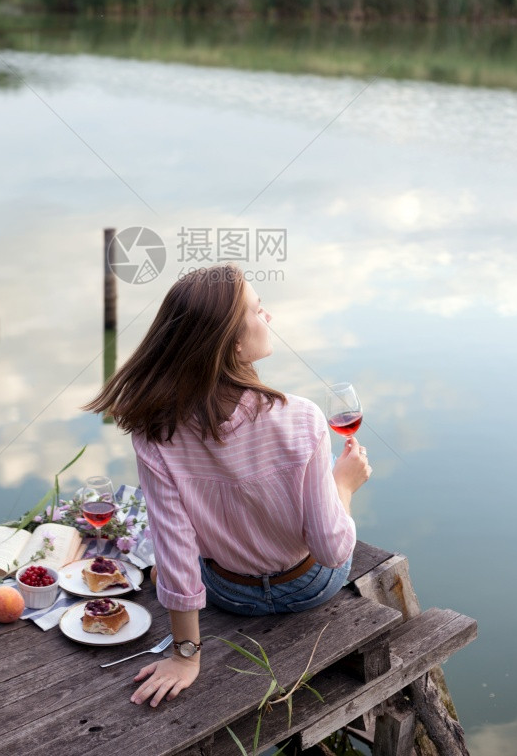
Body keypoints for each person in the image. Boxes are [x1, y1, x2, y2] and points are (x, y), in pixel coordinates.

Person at [83, 264, 371, 708]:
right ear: (234, 343)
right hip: (311, 585)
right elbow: (332, 550)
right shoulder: (302, 417)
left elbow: (175, 553)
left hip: (228, 593)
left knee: (182, 542)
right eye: (259, 310)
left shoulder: (155, 435)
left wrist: (185, 659)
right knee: (332, 473)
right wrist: (344, 487)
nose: (269, 317)